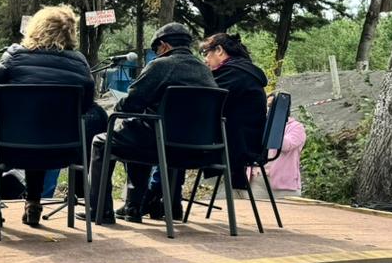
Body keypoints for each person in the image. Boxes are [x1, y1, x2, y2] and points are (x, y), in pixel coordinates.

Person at [0, 5, 96, 228]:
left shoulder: (13, 57)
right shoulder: (80, 63)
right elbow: (86, 106)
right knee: (42, 132)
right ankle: (33, 204)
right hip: (62, 150)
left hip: (9, 148)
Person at [88, 22, 216, 224]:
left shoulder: (161, 65)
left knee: (102, 142)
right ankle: (132, 208)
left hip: (159, 144)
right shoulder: (205, 71)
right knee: (142, 128)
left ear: (163, 45)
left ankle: (99, 211)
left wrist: (115, 107)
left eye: (156, 50)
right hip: (196, 148)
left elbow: (129, 104)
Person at [201, 33, 269, 191]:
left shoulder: (233, 73)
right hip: (246, 141)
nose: (204, 60)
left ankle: (161, 200)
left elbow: (204, 100)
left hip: (236, 147)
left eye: (205, 53)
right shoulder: (244, 71)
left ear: (219, 50)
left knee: (169, 142)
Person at [249, 94, 306, 197]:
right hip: (258, 182)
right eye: (268, 105)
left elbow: (286, 145)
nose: (269, 109)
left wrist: (274, 124)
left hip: (284, 186)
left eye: (272, 106)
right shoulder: (260, 125)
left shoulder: (297, 127)